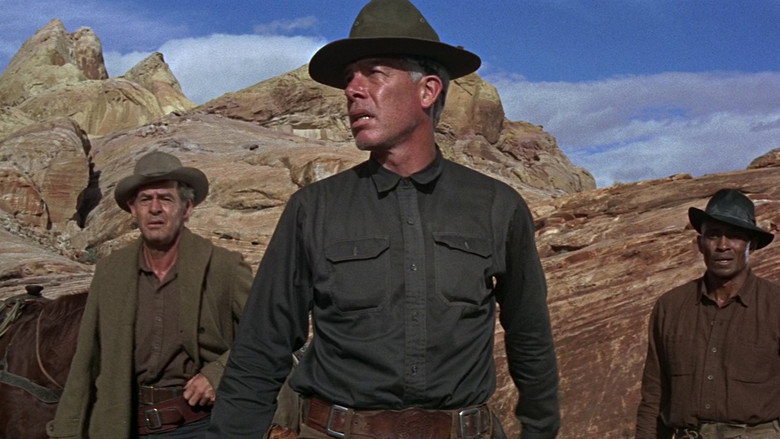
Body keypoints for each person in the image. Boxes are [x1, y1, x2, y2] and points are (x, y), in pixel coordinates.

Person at [209, 0, 560, 438]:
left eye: (374, 73)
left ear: (428, 91)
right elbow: (262, 346)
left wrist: (540, 431)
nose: (353, 90)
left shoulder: (496, 205)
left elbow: (530, 338)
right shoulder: (314, 208)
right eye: (349, 79)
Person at [47, 151, 253, 438]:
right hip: (124, 423)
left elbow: (268, 334)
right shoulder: (110, 272)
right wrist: (67, 432)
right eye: (146, 199)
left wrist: (217, 373)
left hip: (201, 425)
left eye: (166, 198)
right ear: (133, 209)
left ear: (187, 207)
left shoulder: (224, 267)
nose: (155, 208)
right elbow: (87, 359)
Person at [636, 188, 780, 438]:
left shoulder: (775, 305)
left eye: (735, 236)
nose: (722, 246)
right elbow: (654, 397)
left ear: (751, 245)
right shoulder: (670, 307)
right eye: (713, 235)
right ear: (700, 244)